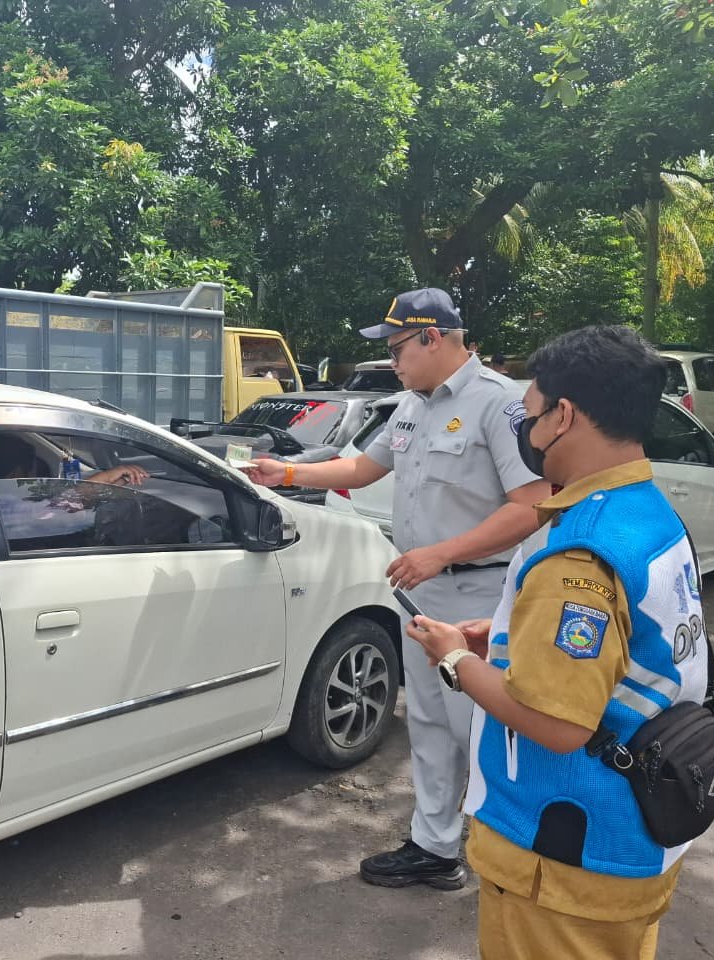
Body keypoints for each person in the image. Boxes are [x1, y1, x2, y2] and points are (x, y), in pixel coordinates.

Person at [404, 325, 700, 959]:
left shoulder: (580, 552)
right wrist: (505, 637)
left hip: (566, 851)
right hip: (637, 830)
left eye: (532, 414)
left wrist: (453, 659)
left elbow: (557, 723)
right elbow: (628, 648)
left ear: (564, 416)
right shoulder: (647, 510)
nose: (527, 431)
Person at [244, 287, 548, 889]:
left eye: (397, 348)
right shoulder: (410, 405)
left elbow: (533, 504)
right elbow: (363, 468)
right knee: (430, 724)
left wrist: (442, 553)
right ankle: (435, 849)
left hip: (479, 596)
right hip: (420, 595)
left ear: (432, 338)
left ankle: (511, 858)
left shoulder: (499, 405)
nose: (392, 361)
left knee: (481, 730)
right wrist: (289, 472)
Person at [0, 433, 147, 485]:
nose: (35, 476)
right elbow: (69, 501)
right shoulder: (19, 505)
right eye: (33, 469)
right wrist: (113, 474)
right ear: (15, 473)